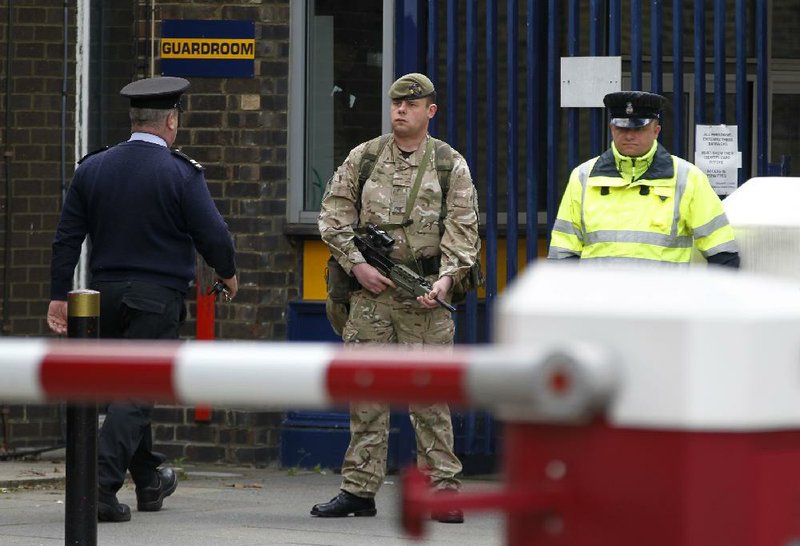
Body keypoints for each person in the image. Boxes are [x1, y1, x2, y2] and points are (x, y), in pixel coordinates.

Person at [46, 76, 238, 522]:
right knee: (137, 391)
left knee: (123, 389)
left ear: (134, 119)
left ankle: (150, 478)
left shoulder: (92, 168)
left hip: (101, 300)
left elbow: (66, 239)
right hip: (156, 298)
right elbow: (213, 235)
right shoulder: (180, 173)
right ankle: (97, 486)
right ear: (171, 120)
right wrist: (227, 273)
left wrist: (59, 296)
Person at [313, 73, 480, 523]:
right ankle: (358, 489)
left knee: (429, 396)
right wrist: (357, 265)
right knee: (366, 391)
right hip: (370, 298)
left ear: (431, 111)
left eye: (412, 104)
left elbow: (463, 233)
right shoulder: (364, 157)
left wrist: (445, 281)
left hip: (424, 294)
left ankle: (441, 490)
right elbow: (332, 216)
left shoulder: (448, 164)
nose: (401, 110)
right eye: (396, 104)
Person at [549, 90, 740, 268]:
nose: (629, 136)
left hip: (661, 303)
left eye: (638, 129)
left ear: (656, 131)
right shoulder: (583, 176)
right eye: (621, 128)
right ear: (611, 129)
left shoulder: (688, 178)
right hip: (600, 302)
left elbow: (722, 252)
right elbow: (563, 253)